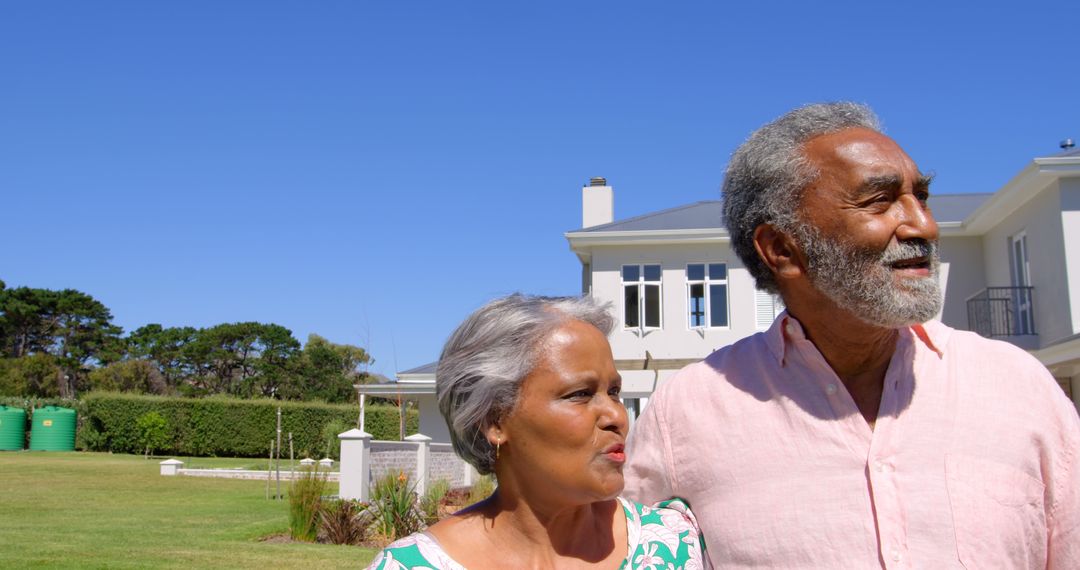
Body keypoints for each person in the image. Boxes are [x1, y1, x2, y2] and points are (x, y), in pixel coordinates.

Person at [624, 102, 1080, 568]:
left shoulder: (1019, 387)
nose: (924, 225)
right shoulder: (683, 417)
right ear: (782, 249)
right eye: (879, 201)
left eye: (920, 196)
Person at [367, 294, 709, 569]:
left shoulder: (672, 545)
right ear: (495, 421)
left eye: (614, 392)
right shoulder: (411, 565)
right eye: (580, 394)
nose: (616, 415)